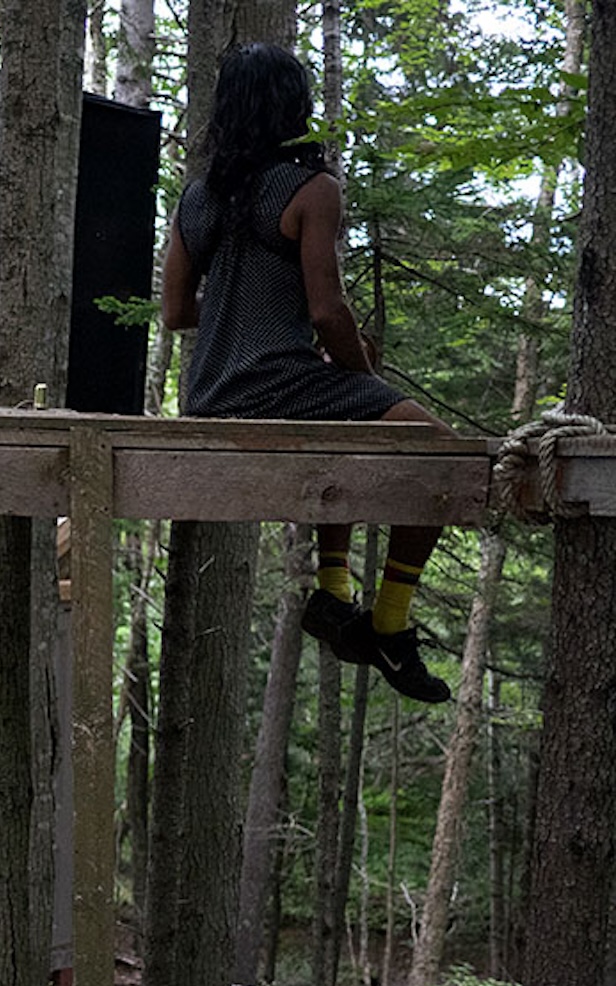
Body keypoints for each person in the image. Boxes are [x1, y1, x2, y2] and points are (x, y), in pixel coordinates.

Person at [161, 42, 453, 704]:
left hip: (208, 398)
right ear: (295, 108)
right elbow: (327, 310)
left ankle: (333, 593)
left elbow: (176, 311)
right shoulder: (311, 191)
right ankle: (387, 622)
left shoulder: (196, 199)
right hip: (276, 388)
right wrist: (363, 371)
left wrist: (242, 313)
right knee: (443, 453)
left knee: (343, 423)